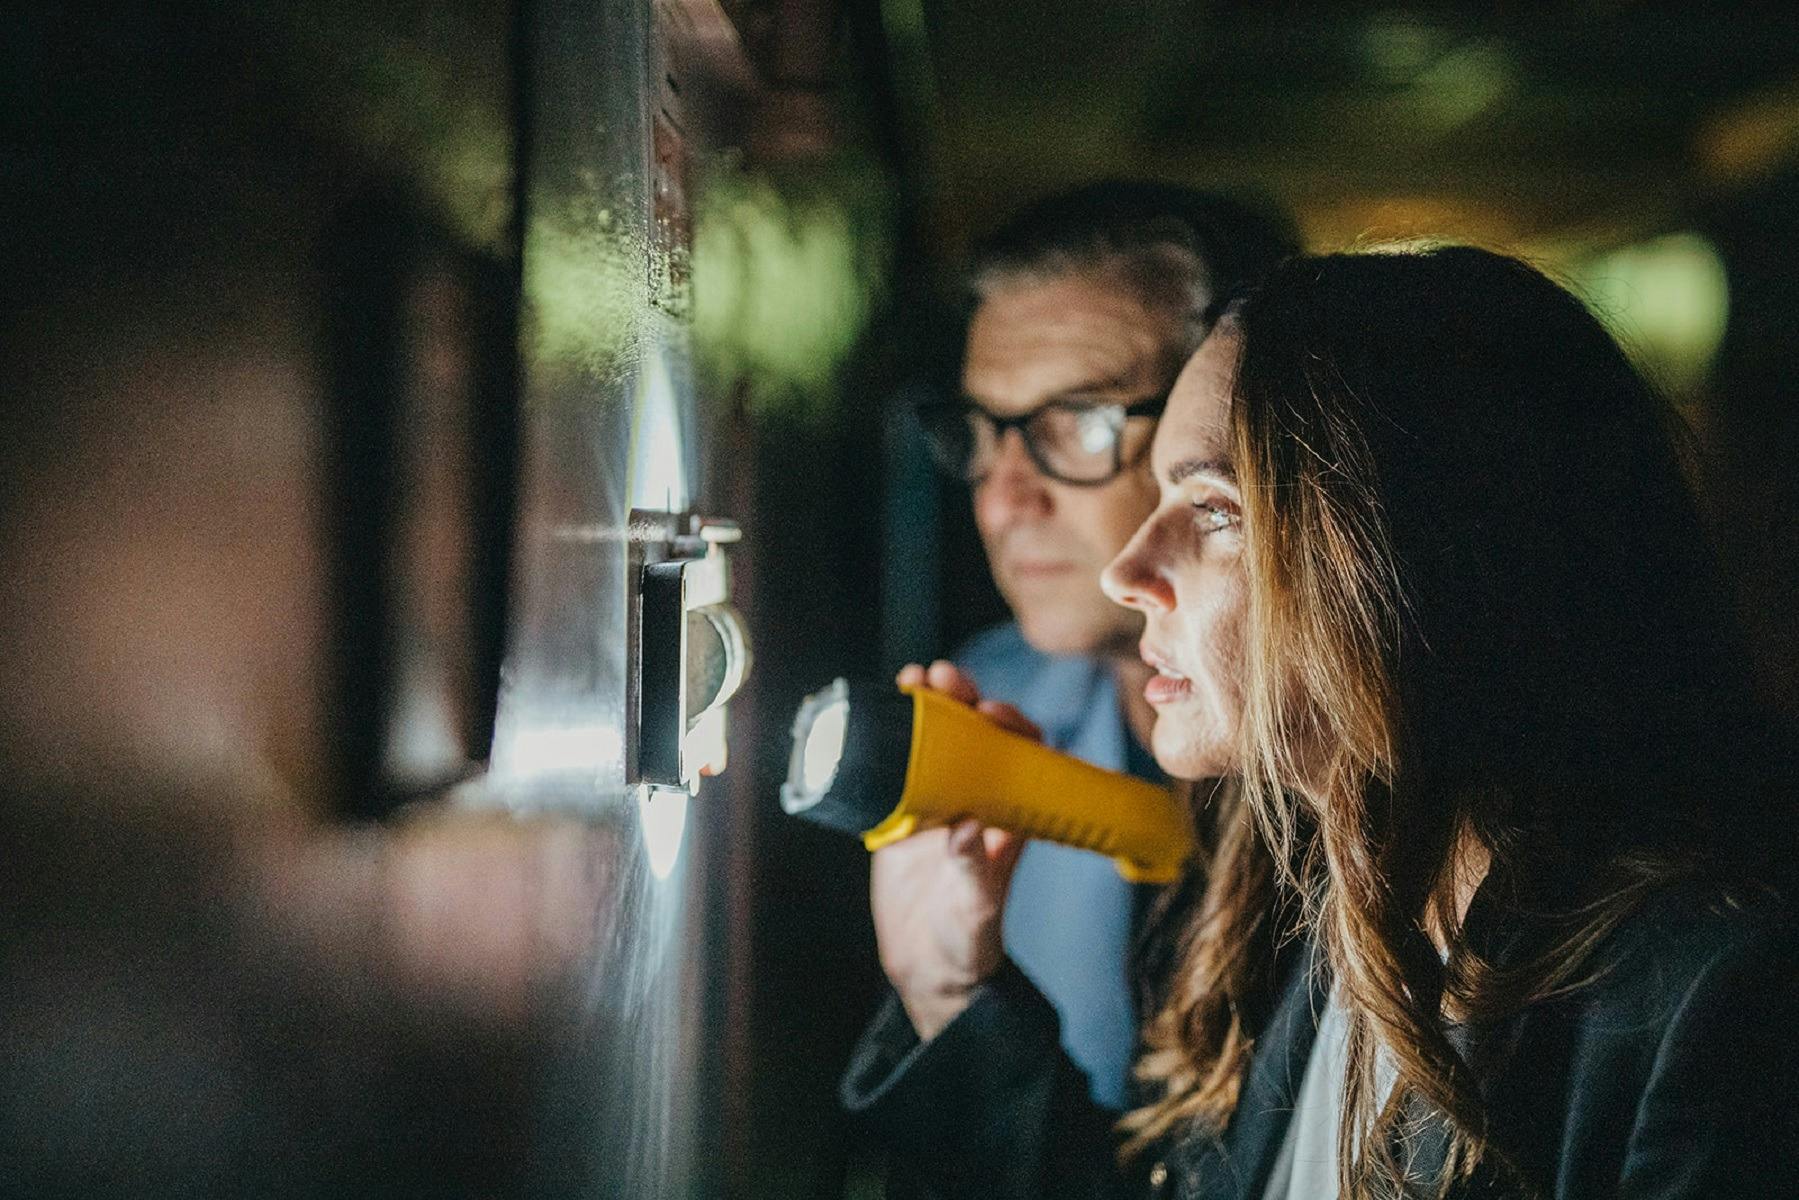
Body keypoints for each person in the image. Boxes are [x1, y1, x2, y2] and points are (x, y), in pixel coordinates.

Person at [845, 245, 1797, 1198]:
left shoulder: (1721, 999)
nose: (1127, 572)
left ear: (1418, 553)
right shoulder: (1318, 909)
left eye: (1215, 510)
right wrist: (948, 988)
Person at [907, 181, 1298, 1109]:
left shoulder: (1389, 769)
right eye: (985, 432)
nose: (1003, 501)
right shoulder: (983, 710)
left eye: (1081, 423)